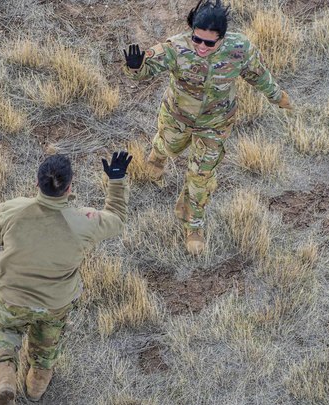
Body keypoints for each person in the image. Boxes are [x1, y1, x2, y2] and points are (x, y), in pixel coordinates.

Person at [122, 0, 292, 255]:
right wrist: (135, 67)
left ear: (222, 39)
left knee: (200, 178)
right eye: (197, 39)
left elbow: (258, 75)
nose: (201, 47)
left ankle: (194, 226)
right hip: (177, 118)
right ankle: (157, 158)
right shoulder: (176, 47)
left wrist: (278, 97)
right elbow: (146, 69)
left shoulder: (240, 48)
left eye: (209, 43)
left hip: (215, 126)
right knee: (168, 145)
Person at [0, 152, 132, 404]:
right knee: (47, 342)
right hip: (55, 303)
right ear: (70, 186)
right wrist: (116, 180)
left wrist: (5, 213)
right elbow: (118, 220)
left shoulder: (14, 210)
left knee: (5, 329)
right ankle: (37, 385)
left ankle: (5, 377)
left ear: (37, 183)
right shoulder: (85, 222)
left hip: (13, 296)